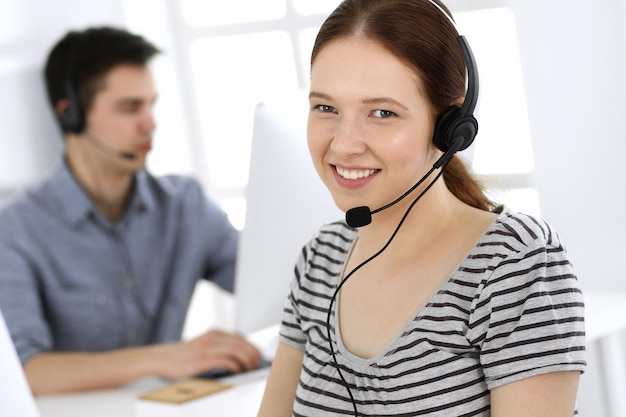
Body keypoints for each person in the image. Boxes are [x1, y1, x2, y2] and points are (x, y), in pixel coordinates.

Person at [257, 0, 586, 416]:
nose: (343, 144)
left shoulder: (513, 262)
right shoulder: (321, 260)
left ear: (450, 125)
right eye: (326, 108)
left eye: (382, 112)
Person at [0, 26, 260, 396]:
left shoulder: (184, 204)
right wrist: (166, 358)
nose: (150, 123)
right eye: (130, 108)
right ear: (70, 114)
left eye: (151, 104)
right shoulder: (15, 230)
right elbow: (24, 370)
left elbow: (266, 286)